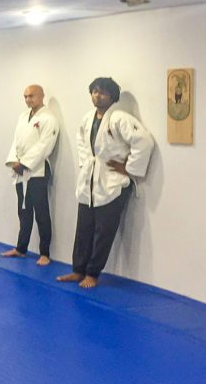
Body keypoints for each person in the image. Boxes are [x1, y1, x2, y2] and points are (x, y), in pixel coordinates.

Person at [57, 77, 154, 288]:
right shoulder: (87, 118)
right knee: (83, 227)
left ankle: (93, 273)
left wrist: (128, 168)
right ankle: (78, 269)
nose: (97, 96)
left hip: (113, 183)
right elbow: (82, 143)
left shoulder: (120, 118)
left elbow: (144, 141)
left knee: (104, 230)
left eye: (102, 92)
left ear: (112, 96)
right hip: (90, 180)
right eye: (94, 91)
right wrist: (85, 164)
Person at [2, 84, 59, 266]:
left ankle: (45, 253)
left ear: (42, 96)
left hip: (38, 170)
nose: (28, 99)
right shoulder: (22, 117)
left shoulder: (49, 118)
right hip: (21, 172)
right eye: (25, 96)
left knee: (41, 213)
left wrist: (25, 164)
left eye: (32, 96)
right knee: (24, 211)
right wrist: (14, 162)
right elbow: (16, 142)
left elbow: (45, 146)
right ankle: (21, 248)